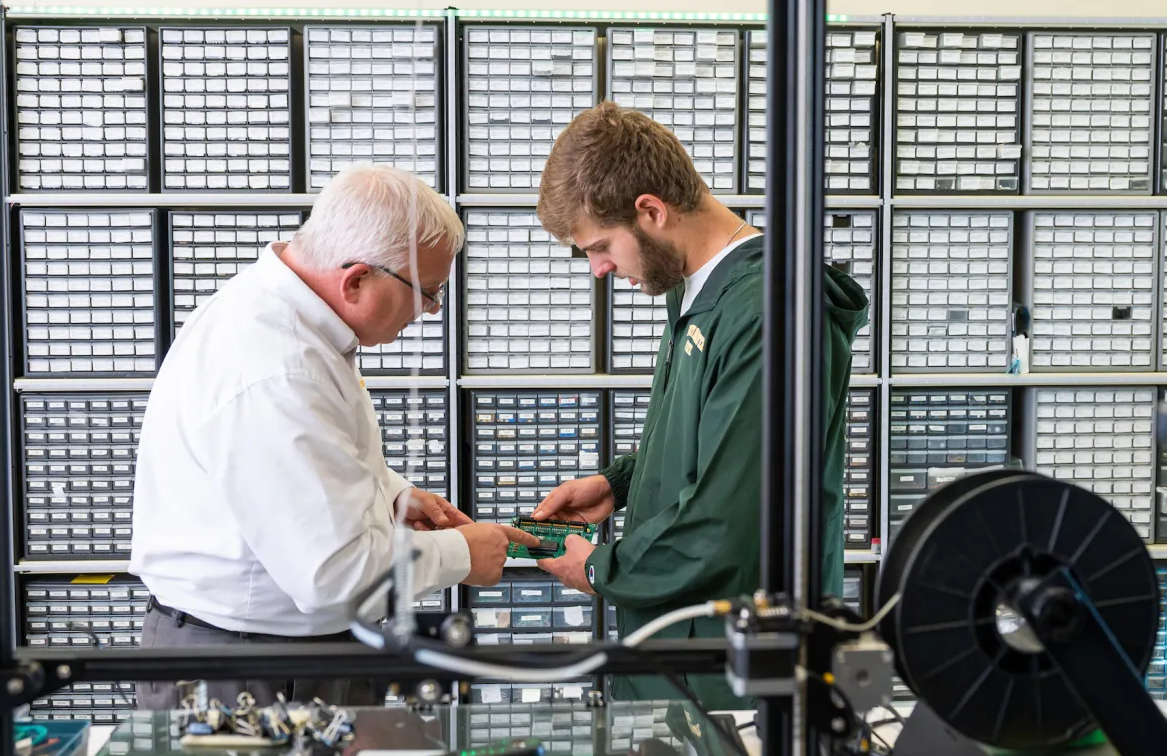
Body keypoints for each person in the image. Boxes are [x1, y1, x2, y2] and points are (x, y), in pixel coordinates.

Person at [129, 164, 535, 709]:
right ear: (357, 280)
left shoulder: (295, 323)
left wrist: (389, 494)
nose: (433, 310)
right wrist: (462, 553)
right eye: (429, 292)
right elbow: (333, 575)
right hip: (248, 671)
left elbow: (317, 448)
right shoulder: (275, 369)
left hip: (284, 650)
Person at [530, 103, 869, 707]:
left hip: (735, 663)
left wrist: (597, 568)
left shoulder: (771, 313)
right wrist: (619, 484)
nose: (599, 270)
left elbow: (726, 522)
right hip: (682, 641)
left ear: (652, 211)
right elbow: (711, 440)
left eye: (601, 246)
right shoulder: (701, 290)